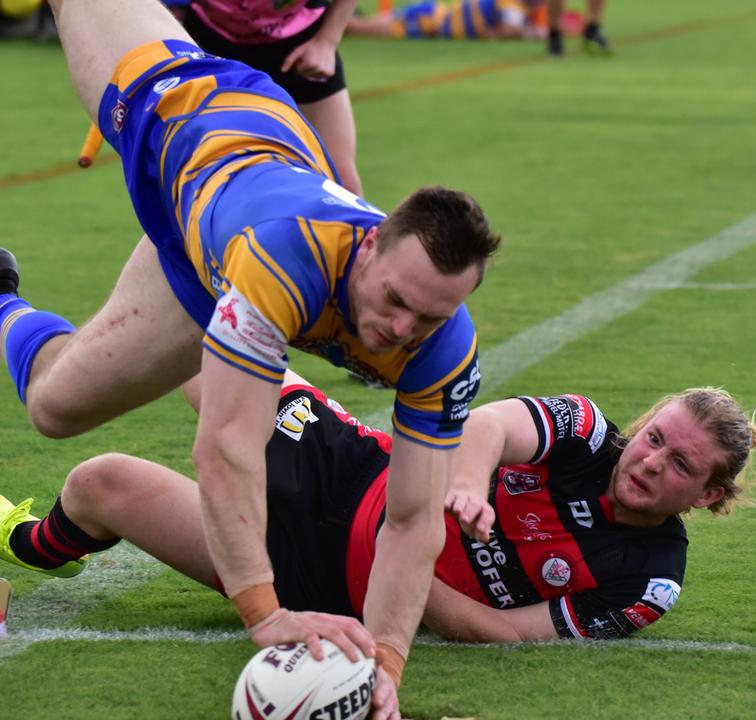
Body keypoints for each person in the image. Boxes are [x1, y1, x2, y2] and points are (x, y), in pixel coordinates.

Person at [0, 0, 500, 715]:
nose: (400, 328)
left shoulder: (444, 352)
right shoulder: (283, 261)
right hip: (175, 106)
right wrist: (267, 617)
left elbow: (413, 517)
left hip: (205, 245)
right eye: (394, 300)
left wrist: (384, 664)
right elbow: (227, 449)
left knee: (53, 407)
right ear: (367, 247)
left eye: (429, 316)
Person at [0, 370, 756, 641]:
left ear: (711, 494)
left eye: (679, 464)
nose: (649, 460)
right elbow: (491, 425)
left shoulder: (649, 580)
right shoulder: (589, 433)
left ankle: (25, 539)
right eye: (656, 436)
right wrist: (460, 488)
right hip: (349, 465)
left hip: (317, 584)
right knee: (190, 347)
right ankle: (16, 318)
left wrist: (409, 555)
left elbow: (500, 632)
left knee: (102, 483)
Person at [162, 0, 366, 195]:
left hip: (298, 41)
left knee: (343, 187)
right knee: (188, 188)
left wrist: (327, 41)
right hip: (210, 39)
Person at [346, 0, 539, 41]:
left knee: (362, 26)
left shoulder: (513, 6)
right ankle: (326, 17)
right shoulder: (512, 6)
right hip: (429, 22)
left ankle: (339, 16)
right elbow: (510, 29)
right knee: (359, 29)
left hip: (432, 14)